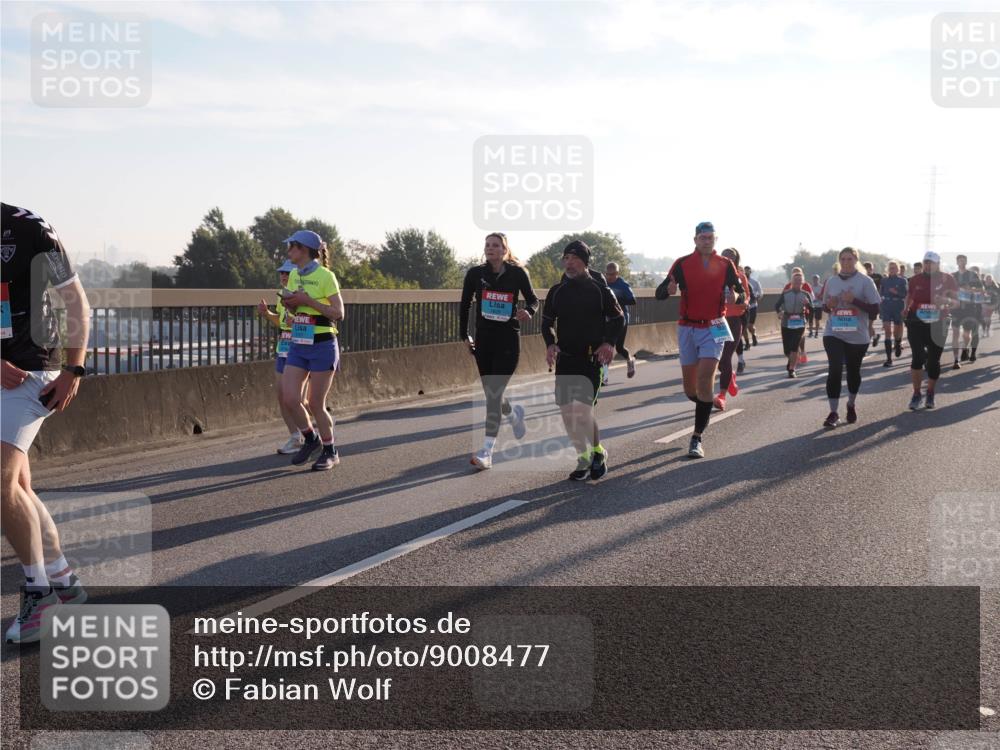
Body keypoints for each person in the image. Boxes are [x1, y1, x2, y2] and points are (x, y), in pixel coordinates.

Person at [2, 203, 91, 644]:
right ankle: (63, 581)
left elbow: (75, 300)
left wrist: (74, 370)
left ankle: (40, 597)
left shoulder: (30, 230)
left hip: (31, 372)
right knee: (19, 488)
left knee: (0, 484)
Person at [656, 221, 743, 458]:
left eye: (710, 237)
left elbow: (741, 292)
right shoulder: (682, 264)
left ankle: (696, 437)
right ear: (695, 240)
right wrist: (668, 290)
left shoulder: (725, 265)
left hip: (715, 325)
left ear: (716, 239)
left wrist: (735, 295)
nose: (706, 241)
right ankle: (706, 401)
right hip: (687, 327)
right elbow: (659, 292)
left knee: (705, 379)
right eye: (702, 237)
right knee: (690, 389)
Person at [541, 241, 623, 481]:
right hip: (566, 359)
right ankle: (584, 456)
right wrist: (550, 343)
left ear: (585, 262)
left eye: (574, 258)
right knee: (568, 414)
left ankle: (598, 451)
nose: (569, 262)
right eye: (566, 258)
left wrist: (608, 343)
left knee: (582, 412)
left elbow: (618, 319)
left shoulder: (600, 289)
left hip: (591, 359)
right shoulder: (557, 290)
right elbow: (546, 323)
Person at [459, 233, 537, 471]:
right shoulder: (475, 274)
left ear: (505, 250)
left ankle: (486, 451)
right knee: (493, 392)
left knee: (493, 393)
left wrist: (529, 312)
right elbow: (465, 304)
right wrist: (465, 335)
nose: (490, 248)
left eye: (496, 245)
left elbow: (533, 300)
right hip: (484, 340)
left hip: (508, 340)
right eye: (487, 245)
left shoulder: (517, 273)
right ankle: (514, 416)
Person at [281, 230, 344, 471]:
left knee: (316, 403)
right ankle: (310, 439)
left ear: (303, 249)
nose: (288, 252)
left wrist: (307, 301)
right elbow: (300, 309)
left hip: (322, 343)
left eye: (291, 247)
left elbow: (338, 313)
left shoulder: (326, 276)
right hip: (299, 342)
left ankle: (330, 451)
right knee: (290, 398)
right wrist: (292, 305)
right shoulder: (295, 275)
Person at [819, 247, 881, 428]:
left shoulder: (866, 282)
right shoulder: (831, 281)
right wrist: (829, 305)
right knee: (835, 369)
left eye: (849, 259)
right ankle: (833, 413)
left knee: (853, 372)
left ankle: (851, 404)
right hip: (834, 332)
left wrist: (854, 300)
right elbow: (825, 307)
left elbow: (875, 310)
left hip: (858, 336)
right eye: (843, 259)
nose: (846, 262)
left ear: (856, 260)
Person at [258, 260, 313, 454]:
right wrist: (267, 314)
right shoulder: (283, 296)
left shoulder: (302, 295)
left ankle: (318, 431)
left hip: (299, 351)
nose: (283, 275)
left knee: (300, 400)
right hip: (283, 349)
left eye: (287, 273)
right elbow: (281, 324)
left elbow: (314, 322)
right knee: (282, 397)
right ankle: (295, 437)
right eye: (281, 272)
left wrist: (296, 321)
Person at [905, 251, 957, 410]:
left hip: (938, 323)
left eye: (931, 262)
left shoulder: (948, 279)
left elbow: (956, 303)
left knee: (933, 361)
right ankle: (916, 394)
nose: (927, 265)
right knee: (917, 358)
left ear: (938, 263)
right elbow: (909, 297)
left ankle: (930, 392)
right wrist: (904, 309)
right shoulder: (914, 279)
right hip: (917, 322)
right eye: (925, 262)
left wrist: (944, 300)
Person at [714, 248, 749, 411]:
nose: (728, 258)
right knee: (720, 358)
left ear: (736, 260)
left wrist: (737, 298)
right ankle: (731, 377)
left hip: (734, 320)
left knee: (726, 356)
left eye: (732, 256)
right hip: (718, 321)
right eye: (725, 255)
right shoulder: (714, 275)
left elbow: (747, 298)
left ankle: (721, 396)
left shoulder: (740, 277)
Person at [775, 272, 812, 377]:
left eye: (799, 281)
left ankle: (792, 370)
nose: (797, 283)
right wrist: (779, 312)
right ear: (791, 282)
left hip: (800, 322)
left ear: (802, 282)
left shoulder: (806, 294)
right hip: (786, 322)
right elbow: (777, 305)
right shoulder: (786, 293)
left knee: (794, 346)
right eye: (795, 281)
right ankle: (793, 359)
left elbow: (812, 308)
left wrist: (807, 304)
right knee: (787, 350)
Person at [604, 262, 637, 381]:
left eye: (612, 274)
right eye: (607, 274)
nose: (609, 277)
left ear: (617, 273)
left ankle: (630, 360)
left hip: (621, 319)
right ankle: (604, 376)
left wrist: (616, 300)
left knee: (619, 347)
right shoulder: (604, 283)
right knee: (607, 346)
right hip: (607, 320)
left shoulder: (623, 285)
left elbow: (633, 300)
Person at [950, 254, 982, 367]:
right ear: (957, 262)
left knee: (966, 334)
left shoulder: (972, 275)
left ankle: (965, 348)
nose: (962, 262)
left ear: (966, 262)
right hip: (956, 308)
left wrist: (971, 289)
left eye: (963, 260)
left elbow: (981, 289)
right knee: (955, 333)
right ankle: (956, 360)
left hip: (969, 308)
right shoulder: (952, 276)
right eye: (960, 260)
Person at [878, 261, 908, 367]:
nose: (892, 269)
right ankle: (889, 359)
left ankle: (898, 342)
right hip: (886, 306)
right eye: (890, 268)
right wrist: (880, 306)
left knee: (897, 329)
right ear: (887, 269)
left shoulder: (902, 280)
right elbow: (880, 293)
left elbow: (905, 294)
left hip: (897, 305)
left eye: (894, 268)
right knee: (887, 331)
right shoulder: (884, 280)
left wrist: (896, 293)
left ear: (898, 269)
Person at [783, 268, 814, 364]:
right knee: (793, 337)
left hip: (803, 314)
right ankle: (796, 354)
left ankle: (802, 352)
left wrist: (807, 303)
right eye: (794, 274)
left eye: (798, 274)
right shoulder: (788, 286)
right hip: (790, 316)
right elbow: (783, 298)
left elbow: (812, 297)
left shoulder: (806, 285)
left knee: (800, 335)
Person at [863, 261, 884, 347]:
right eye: (867, 269)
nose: (869, 271)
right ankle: (875, 336)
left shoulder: (878, 277)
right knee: (866, 325)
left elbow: (884, 287)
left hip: (874, 304)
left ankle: (865, 345)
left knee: (868, 325)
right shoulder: (861, 278)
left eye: (870, 269)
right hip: (863, 304)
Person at [742, 266, 763, 351]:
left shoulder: (755, 282)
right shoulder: (740, 281)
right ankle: (747, 343)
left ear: (750, 272)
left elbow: (760, 292)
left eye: (748, 271)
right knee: (743, 327)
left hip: (753, 306)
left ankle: (753, 335)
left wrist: (757, 297)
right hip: (743, 307)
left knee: (750, 326)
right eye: (745, 271)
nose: (746, 273)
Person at [982, 273, 998, 338]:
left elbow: (998, 295)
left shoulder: (995, 286)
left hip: (992, 304)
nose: (989, 280)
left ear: (992, 279)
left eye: (990, 279)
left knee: (988, 318)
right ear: (985, 279)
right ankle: (983, 331)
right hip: (983, 303)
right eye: (987, 279)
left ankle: (987, 330)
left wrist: (994, 294)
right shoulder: (982, 285)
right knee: (983, 318)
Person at [808, 274, 824, 338]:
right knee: (810, 319)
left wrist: (819, 296)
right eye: (814, 279)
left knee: (817, 319)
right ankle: (811, 332)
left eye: (816, 279)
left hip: (819, 305)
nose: (815, 280)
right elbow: (808, 295)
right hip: (811, 305)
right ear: (812, 280)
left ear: (818, 279)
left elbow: (824, 297)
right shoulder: (810, 287)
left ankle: (816, 333)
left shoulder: (821, 287)